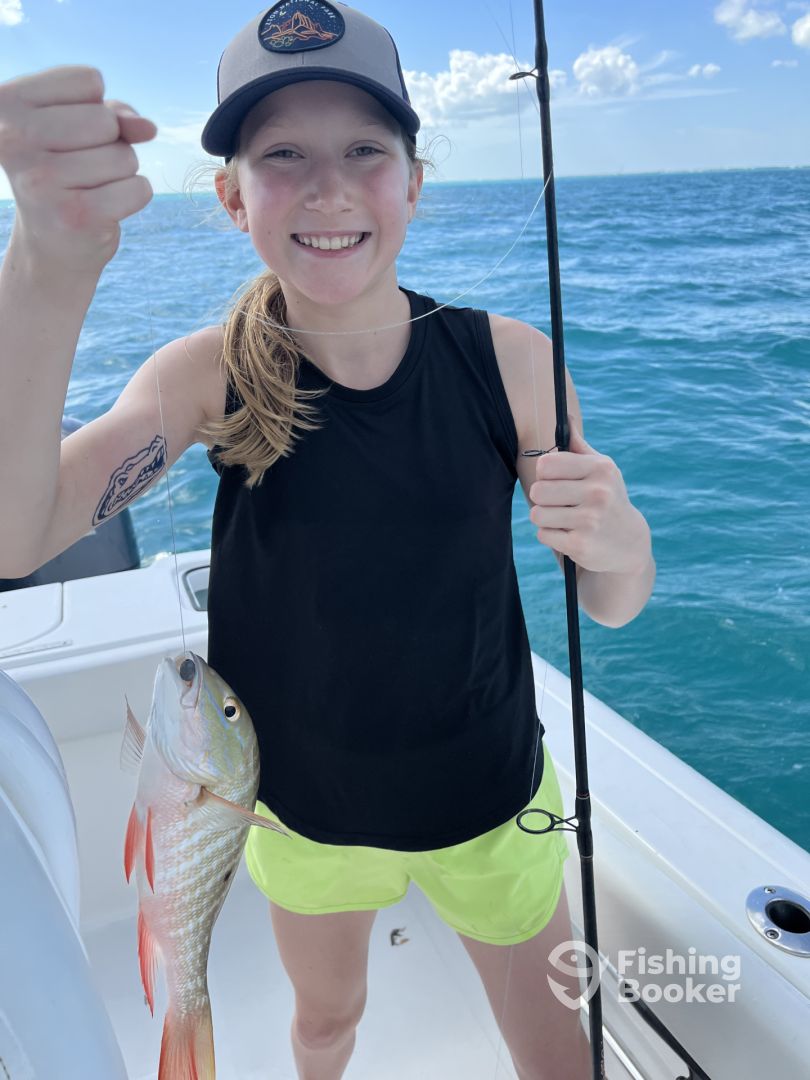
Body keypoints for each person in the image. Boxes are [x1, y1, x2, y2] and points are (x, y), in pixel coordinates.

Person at [0, 2, 654, 1077]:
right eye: (283, 156)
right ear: (232, 198)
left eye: (364, 151)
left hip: (493, 806)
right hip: (300, 821)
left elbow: (612, 603)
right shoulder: (205, 375)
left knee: (559, 1058)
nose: (328, 188)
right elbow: (17, 534)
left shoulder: (511, 364)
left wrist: (622, 544)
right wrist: (47, 269)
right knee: (322, 1024)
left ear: (415, 182)